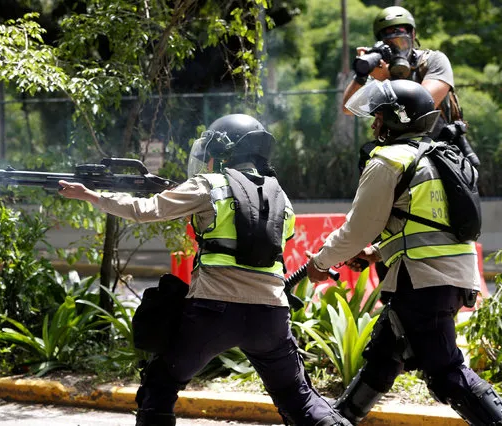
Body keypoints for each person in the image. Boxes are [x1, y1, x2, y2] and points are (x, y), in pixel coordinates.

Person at [58, 114, 352, 426]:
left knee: (160, 384)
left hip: (214, 312)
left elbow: (145, 210)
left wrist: (89, 195)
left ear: (226, 154)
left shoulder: (208, 186)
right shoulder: (281, 197)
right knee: (298, 397)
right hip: (270, 316)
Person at [307, 79, 502, 425]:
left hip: (423, 280)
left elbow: (357, 229)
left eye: (380, 116)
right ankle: (337, 421)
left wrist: (320, 262)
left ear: (398, 118)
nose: (374, 124)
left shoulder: (389, 161)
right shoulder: (439, 157)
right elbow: (428, 227)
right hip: (453, 276)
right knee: (384, 356)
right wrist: (377, 255)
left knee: (446, 373)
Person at [342, 6, 457, 140]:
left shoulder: (433, 61)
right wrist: (362, 74)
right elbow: (348, 108)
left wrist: (387, 78)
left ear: (413, 35)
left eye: (401, 42)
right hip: (396, 148)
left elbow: (422, 108)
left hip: (436, 148)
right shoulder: (379, 68)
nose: (397, 49)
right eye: (390, 44)